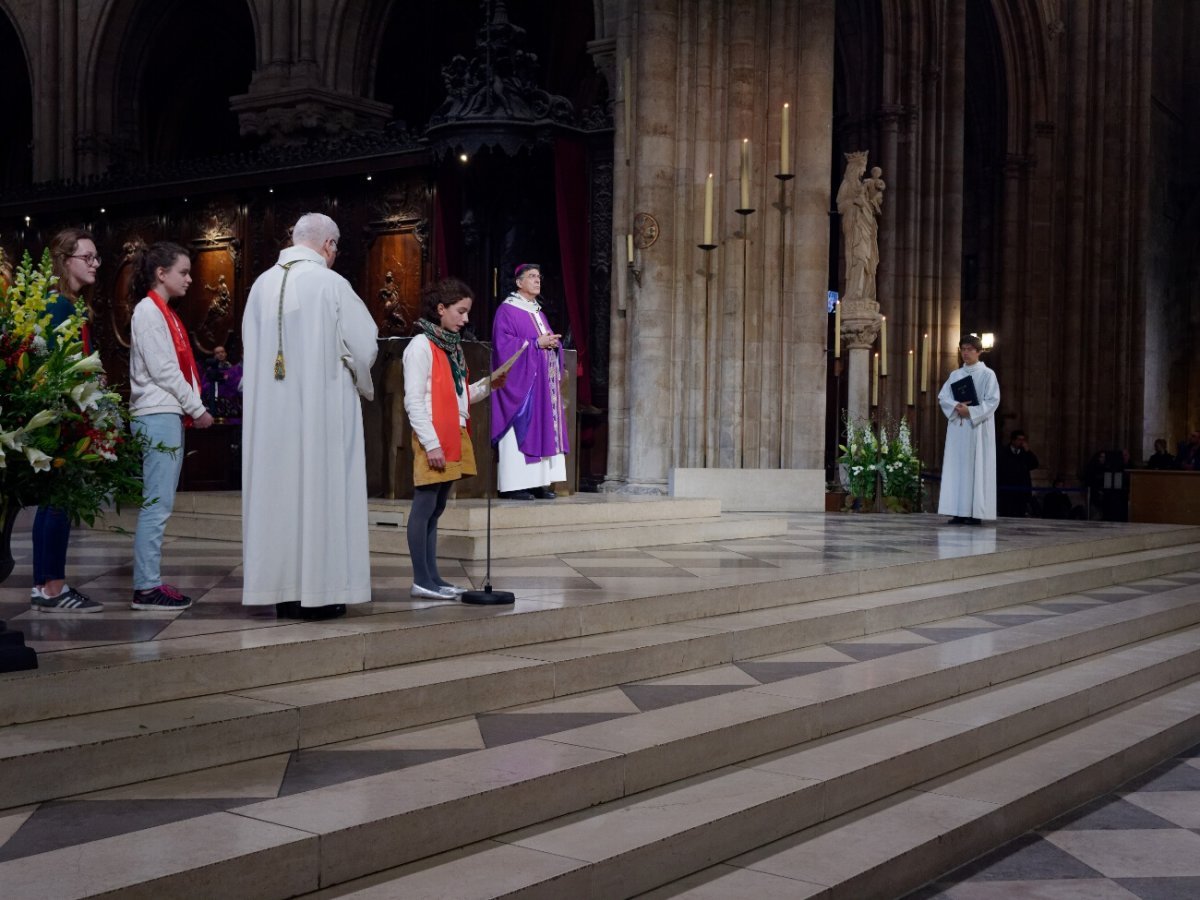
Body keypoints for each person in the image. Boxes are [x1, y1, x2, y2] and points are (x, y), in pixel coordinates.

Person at [240, 213, 378, 621]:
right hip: (322, 410)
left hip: (271, 419)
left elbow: (251, 346)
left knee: (279, 495)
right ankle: (322, 592)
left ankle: (283, 591)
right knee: (323, 489)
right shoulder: (331, 284)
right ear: (329, 246)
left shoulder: (261, 285)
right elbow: (363, 344)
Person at [403, 278, 503, 599]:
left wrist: (490, 384)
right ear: (441, 309)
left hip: (454, 431)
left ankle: (433, 578)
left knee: (437, 508)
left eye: (467, 312)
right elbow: (414, 401)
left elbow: (460, 397)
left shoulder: (451, 348)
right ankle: (421, 579)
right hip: (434, 433)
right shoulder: (421, 346)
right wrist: (430, 443)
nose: (465, 319)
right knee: (425, 505)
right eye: (460, 312)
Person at [128, 242, 214, 610]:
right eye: (183, 272)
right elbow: (165, 370)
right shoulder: (149, 312)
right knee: (157, 505)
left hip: (165, 414)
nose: (190, 279)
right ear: (161, 273)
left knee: (159, 504)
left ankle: (149, 582)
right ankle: (146, 588)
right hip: (157, 414)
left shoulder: (165, 313)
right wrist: (198, 407)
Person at [30, 229, 105, 612]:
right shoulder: (60, 305)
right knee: (58, 501)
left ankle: (45, 585)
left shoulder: (69, 303)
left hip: (66, 411)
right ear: (65, 260)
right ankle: (53, 587)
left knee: (53, 501)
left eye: (96, 258)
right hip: (65, 413)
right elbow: (57, 366)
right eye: (87, 257)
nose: (95, 264)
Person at [491, 263, 569, 500]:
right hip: (521, 387)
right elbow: (502, 346)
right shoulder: (507, 310)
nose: (537, 280)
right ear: (518, 282)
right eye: (532, 276)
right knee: (520, 431)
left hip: (542, 386)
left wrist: (554, 345)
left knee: (543, 427)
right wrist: (536, 344)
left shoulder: (538, 312)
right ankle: (514, 485)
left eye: (539, 276)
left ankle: (538, 483)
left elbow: (543, 341)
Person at [937, 334, 1001, 525]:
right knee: (958, 468)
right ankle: (958, 511)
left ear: (979, 351)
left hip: (977, 428)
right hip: (959, 428)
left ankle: (974, 513)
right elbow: (943, 397)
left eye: (970, 349)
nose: (965, 353)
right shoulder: (955, 375)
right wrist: (957, 407)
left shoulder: (988, 374)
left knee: (975, 467)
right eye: (963, 349)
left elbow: (993, 401)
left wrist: (971, 412)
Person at [996, 429, 1039, 517]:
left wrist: (1028, 452)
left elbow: (1034, 464)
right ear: (1013, 440)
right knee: (1007, 514)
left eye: (1023, 440)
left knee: (1020, 514)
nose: (1022, 442)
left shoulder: (1024, 453)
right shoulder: (1003, 452)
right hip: (1007, 491)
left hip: (1021, 491)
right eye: (1019, 440)